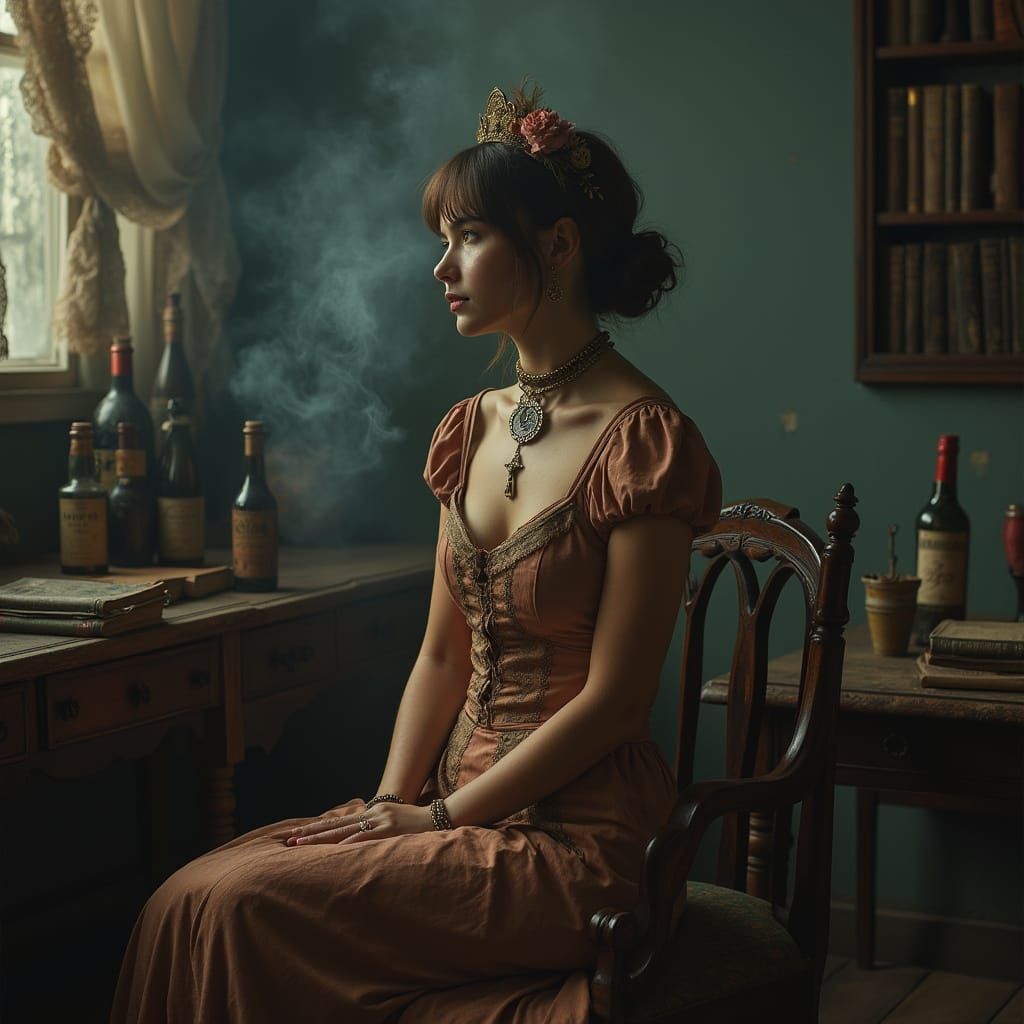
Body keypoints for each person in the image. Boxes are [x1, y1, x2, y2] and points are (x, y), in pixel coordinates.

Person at [110, 80, 722, 1024]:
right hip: (445, 807)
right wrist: (386, 809)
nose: (442, 267)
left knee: (236, 909)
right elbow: (443, 654)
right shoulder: (469, 429)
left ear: (557, 246)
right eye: (445, 239)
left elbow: (615, 704)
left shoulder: (645, 441)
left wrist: (436, 822)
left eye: (469, 237)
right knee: (183, 900)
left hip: (577, 841)